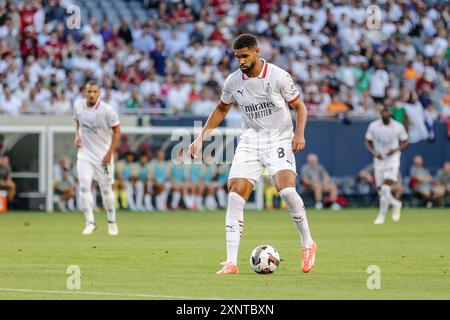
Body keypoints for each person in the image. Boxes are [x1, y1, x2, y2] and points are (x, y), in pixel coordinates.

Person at [188, 34, 316, 275]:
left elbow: (300, 107)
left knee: (287, 190)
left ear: (257, 52)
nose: (241, 61)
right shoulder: (233, 81)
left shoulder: (278, 75)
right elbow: (221, 109)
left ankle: (308, 243)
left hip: (279, 139)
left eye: (245, 56)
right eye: (238, 57)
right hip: (250, 141)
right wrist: (199, 138)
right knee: (235, 194)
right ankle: (231, 261)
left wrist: (299, 134)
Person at [74, 80, 121, 235]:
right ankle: (90, 222)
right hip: (85, 154)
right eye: (89, 92)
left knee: (106, 190)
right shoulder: (78, 107)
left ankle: (112, 221)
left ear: (99, 93)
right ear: (84, 93)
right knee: (83, 186)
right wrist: (77, 136)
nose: (92, 94)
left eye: (95, 92)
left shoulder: (107, 110)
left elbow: (117, 132)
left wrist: (109, 153)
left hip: (103, 156)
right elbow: (77, 122)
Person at [365, 107, 408, 224]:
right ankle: (396, 204)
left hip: (393, 159)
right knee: (381, 191)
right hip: (379, 160)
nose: (384, 113)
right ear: (380, 113)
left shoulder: (398, 126)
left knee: (385, 187)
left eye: (387, 111)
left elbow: (405, 141)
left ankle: (381, 215)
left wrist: (395, 150)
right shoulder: (373, 126)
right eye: (382, 111)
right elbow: (367, 141)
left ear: (390, 113)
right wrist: (373, 152)